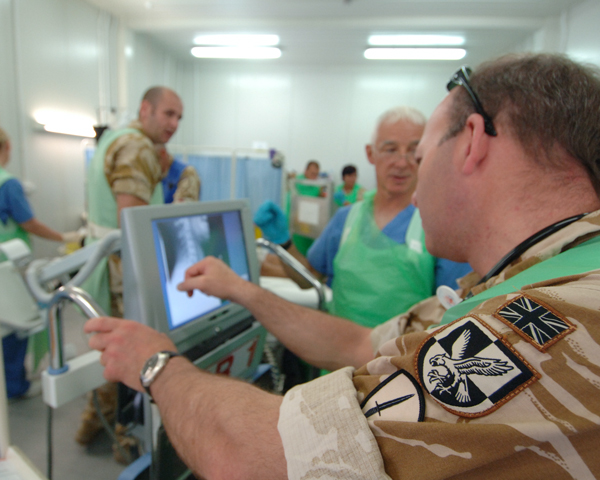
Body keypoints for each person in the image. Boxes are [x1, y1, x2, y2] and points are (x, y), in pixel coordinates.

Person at [86, 53, 600, 479]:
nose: (411, 176)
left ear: (471, 141)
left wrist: (158, 366)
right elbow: (360, 344)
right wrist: (243, 289)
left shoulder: (546, 323)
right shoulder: (529, 280)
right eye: (393, 152)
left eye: (420, 154)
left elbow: (268, 458)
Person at [257, 106, 471, 329]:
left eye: (413, 151)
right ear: (371, 153)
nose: (402, 162)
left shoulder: (440, 226)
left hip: (399, 360)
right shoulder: (346, 219)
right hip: (336, 358)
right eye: (390, 149)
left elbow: (452, 314)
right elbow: (308, 279)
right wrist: (283, 243)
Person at [78, 87, 183, 454]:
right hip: (122, 268)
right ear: (145, 110)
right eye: (168, 114)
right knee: (128, 352)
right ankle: (122, 434)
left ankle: (93, 422)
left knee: (106, 345)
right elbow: (133, 223)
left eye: (178, 118)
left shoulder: (114, 140)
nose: (174, 124)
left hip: (100, 260)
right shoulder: (137, 148)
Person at [0, 127, 81, 399]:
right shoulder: (8, 184)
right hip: (9, 266)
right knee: (18, 323)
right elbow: (29, 223)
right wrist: (64, 236)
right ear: (7, 147)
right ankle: (15, 385)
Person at [287, 159, 326, 255]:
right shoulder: (296, 183)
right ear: (306, 171)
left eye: (316, 174)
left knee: (308, 251)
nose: (314, 176)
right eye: (312, 173)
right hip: (296, 222)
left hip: (311, 224)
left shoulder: (317, 187)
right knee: (296, 251)